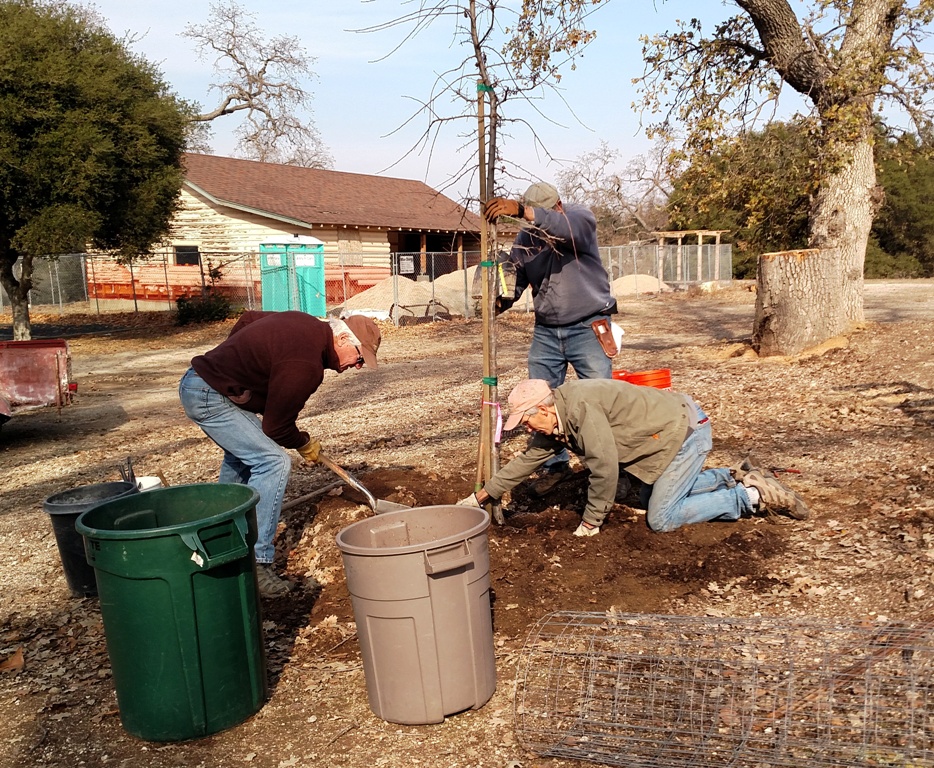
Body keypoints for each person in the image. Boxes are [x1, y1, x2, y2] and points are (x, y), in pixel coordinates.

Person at [178, 310, 381, 597]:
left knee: (244, 458)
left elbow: (249, 319)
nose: (357, 366)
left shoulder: (306, 324)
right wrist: (303, 442)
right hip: (208, 395)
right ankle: (257, 561)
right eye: (359, 357)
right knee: (273, 461)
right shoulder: (306, 364)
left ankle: (219, 540)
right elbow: (276, 427)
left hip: (202, 384)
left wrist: (232, 372)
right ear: (345, 337)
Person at [458, 378, 810, 537]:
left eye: (528, 420)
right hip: (663, 438)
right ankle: (730, 476)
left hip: (683, 432)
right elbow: (525, 463)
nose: (528, 428)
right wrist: (480, 497)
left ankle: (750, 497)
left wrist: (591, 522)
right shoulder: (556, 420)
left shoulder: (580, 409)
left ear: (544, 409)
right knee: (645, 495)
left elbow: (605, 468)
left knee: (661, 517)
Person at [484, 182, 618, 496]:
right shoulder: (526, 239)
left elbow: (560, 227)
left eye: (546, 210)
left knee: (599, 393)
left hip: (588, 325)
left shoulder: (577, 219)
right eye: (532, 215)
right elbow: (516, 277)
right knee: (539, 399)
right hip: (547, 330)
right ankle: (555, 461)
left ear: (557, 205)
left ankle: (608, 460)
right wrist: (500, 299)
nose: (540, 220)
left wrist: (521, 210)